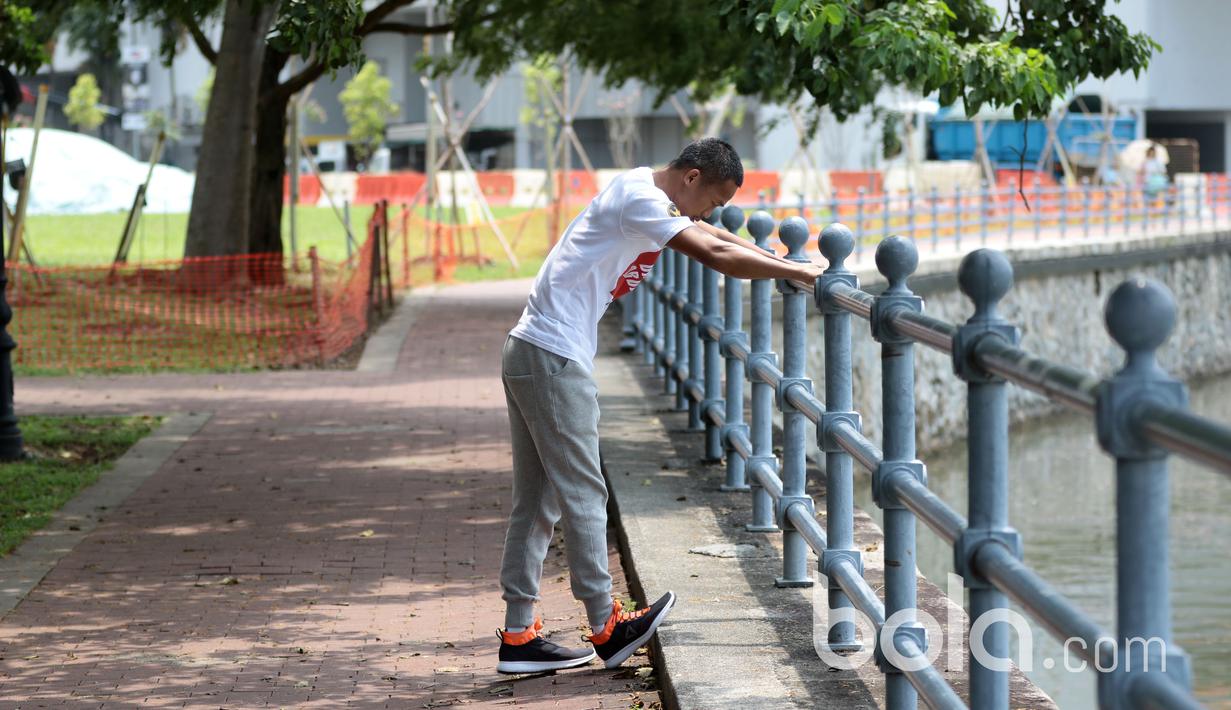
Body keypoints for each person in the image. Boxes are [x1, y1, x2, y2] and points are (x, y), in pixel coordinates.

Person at [496, 137, 825, 674]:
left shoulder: (645, 188)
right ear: (691, 178)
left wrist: (779, 258)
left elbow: (713, 234)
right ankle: (607, 626)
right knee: (581, 493)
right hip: (552, 356)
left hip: (535, 349)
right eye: (712, 200)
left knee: (538, 502)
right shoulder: (642, 201)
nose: (712, 213)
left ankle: (518, 636)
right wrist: (800, 273)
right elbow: (715, 253)